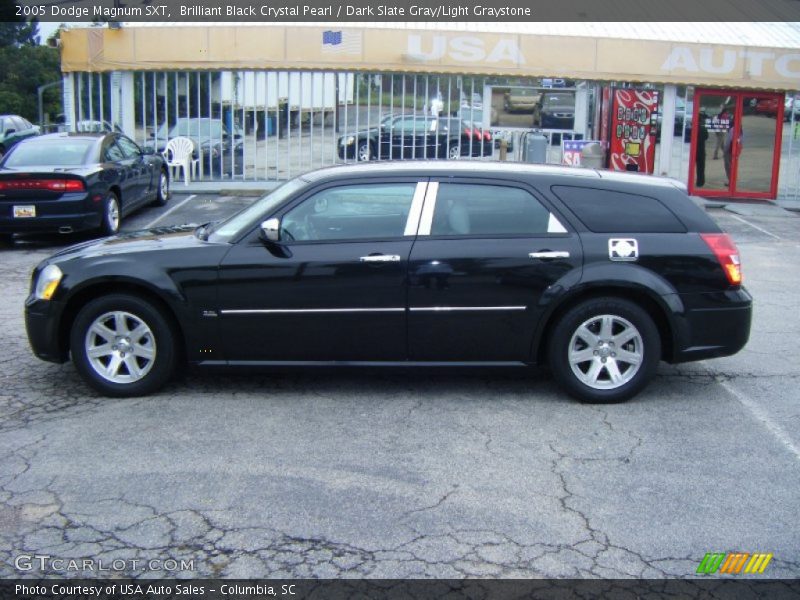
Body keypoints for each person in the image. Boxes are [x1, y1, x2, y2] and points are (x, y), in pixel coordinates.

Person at [723, 117, 742, 187]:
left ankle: (731, 181)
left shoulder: (732, 129)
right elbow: (741, 140)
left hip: (729, 150)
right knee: (733, 166)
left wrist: (725, 150)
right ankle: (733, 181)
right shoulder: (740, 129)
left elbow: (728, 141)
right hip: (736, 150)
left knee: (728, 166)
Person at [695, 113, 709, 187]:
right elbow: (706, 137)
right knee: (701, 167)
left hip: (693, 150)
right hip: (701, 150)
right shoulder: (703, 128)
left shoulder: (694, 128)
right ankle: (700, 182)